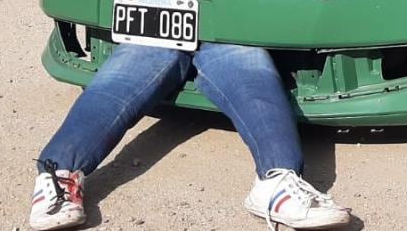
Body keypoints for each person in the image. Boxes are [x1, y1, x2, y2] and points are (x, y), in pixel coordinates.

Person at [28, 42, 351, 231]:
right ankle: (58, 177)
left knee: (251, 75)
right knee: (117, 86)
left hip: (229, 15)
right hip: (160, 15)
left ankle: (277, 181)